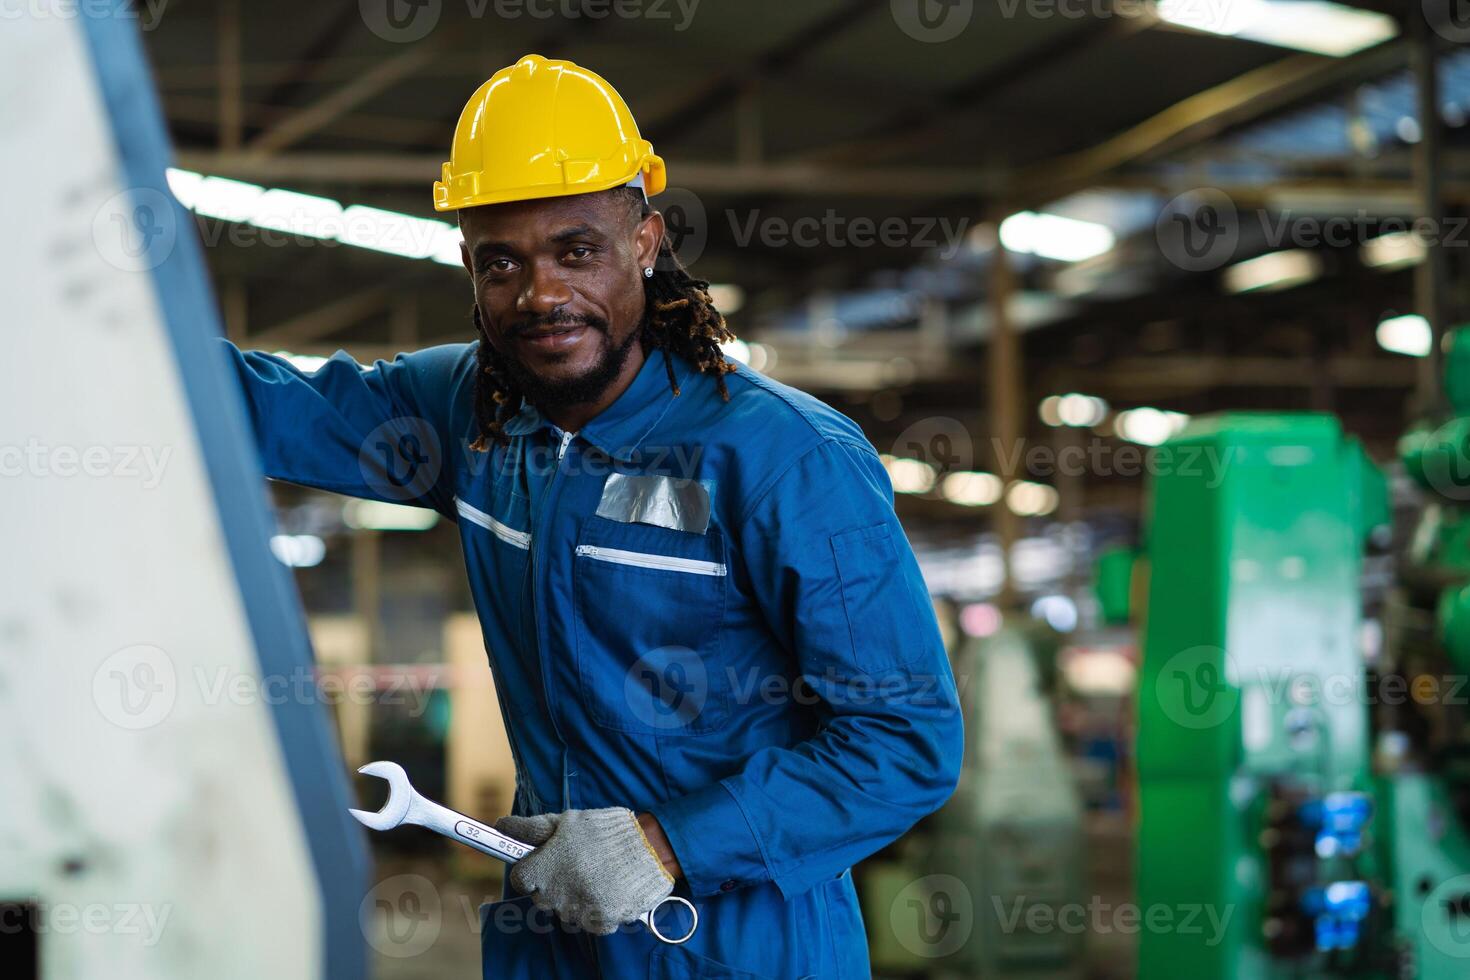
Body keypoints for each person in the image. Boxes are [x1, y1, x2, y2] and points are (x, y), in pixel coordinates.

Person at [225, 53, 963, 979]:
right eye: (503, 262)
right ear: (468, 264)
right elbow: (245, 409)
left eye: (577, 250)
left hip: (737, 946)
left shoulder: (787, 460)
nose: (541, 295)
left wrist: (670, 846)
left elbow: (905, 742)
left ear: (647, 242)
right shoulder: (467, 415)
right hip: (552, 938)